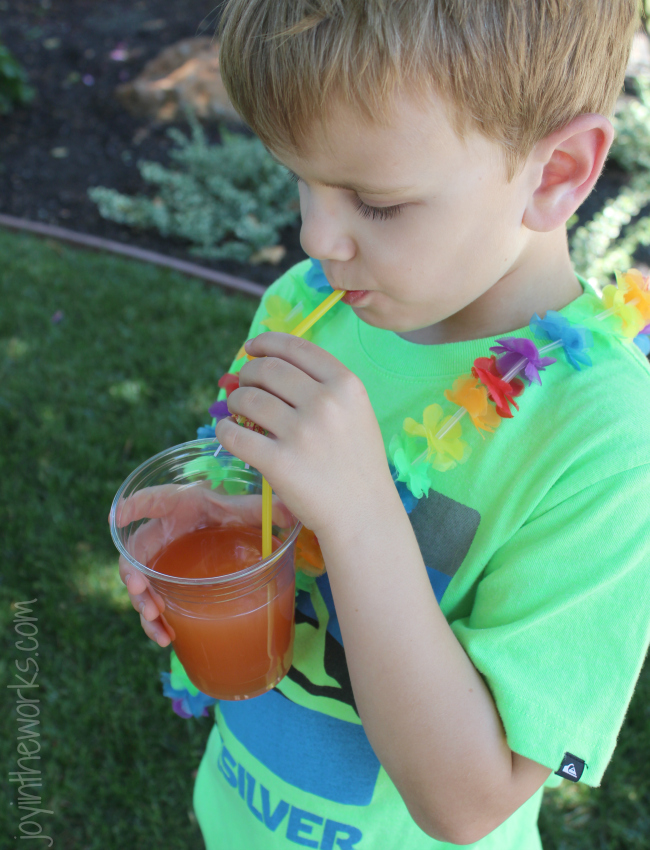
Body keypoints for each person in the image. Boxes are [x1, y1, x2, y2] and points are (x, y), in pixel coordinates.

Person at [119, 1, 650, 847]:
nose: (317, 236)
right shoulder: (303, 310)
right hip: (238, 817)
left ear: (555, 174)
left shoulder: (606, 444)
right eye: (301, 177)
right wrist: (228, 524)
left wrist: (364, 514)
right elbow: (268, 509)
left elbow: (470, 804)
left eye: (377, 202)